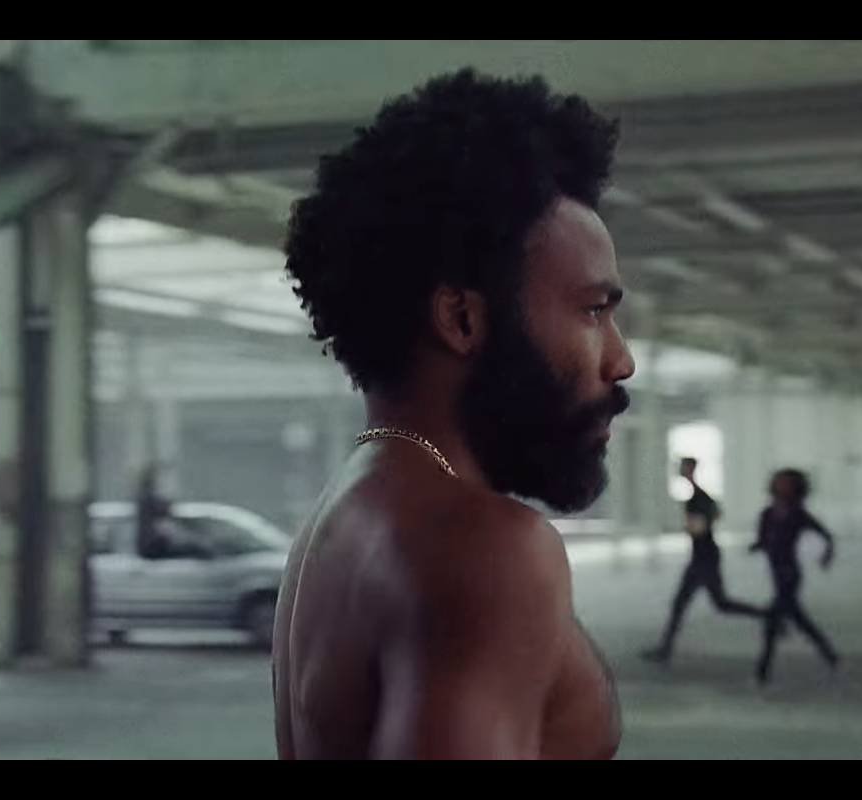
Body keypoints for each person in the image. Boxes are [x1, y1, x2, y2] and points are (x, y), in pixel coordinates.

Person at [271, 68, 635, 760]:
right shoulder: (486, 549)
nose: (621, 360)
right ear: (462, 319)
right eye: (593, 311)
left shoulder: (342, 518)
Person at [641, 457, 767, 664]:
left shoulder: (697, 497)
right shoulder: (700, 495)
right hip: (704, 555)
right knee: (717, 603)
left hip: (703, 558)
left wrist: (691, 527)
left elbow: (701, 526)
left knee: (693, 603)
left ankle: (665, 650)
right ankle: (769, 616)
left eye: (683, 467)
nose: (680, 470)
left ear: (690, 469)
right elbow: (717, 513)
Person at [748, 468, 840, 686]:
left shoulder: (798, 514)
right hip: (777, 573)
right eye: (779, 483)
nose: (782, 487)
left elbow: (826, 535)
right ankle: (829, 652)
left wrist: (827, 555)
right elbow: (763, 540)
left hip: (790, 574)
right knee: (799, 618)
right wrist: (757, 546)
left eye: (786, 484)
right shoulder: (767, 514)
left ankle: (763, 670)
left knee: (773, 620)